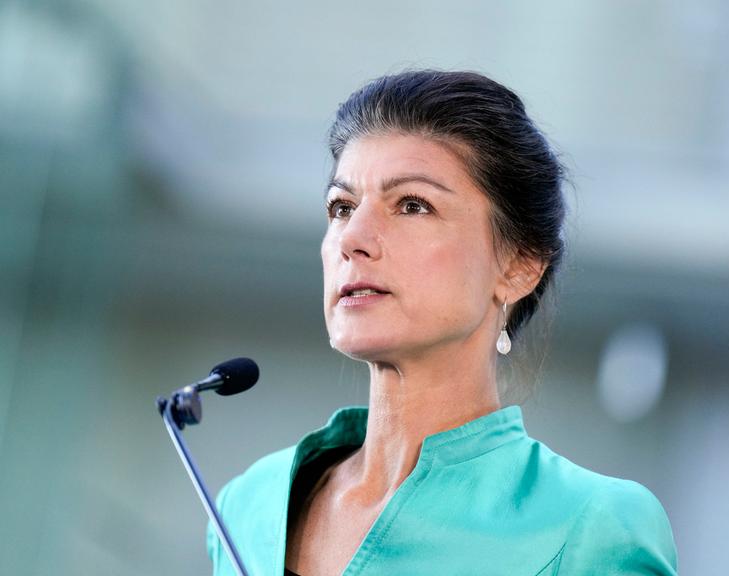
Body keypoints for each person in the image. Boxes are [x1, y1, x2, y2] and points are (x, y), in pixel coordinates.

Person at [207, 70, 678, 576]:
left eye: (413, 205)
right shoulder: (247, 506)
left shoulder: (592, 527)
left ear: (518, 266)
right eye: (341, 207)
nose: (353, 237)